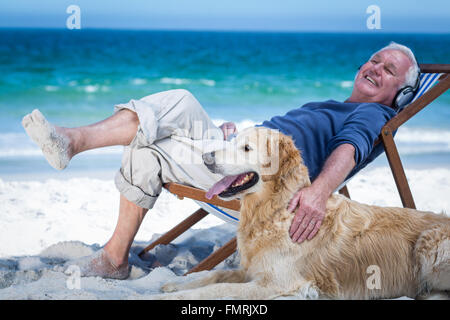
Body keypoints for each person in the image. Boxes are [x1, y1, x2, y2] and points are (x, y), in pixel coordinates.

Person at [21, 42, 419, 279]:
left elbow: (349, 149)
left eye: (389, 71)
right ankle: (75, 150)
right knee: (181, 100)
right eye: (375, 60)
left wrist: (317, 194)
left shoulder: (371, 116)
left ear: (399, 96)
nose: (375, 68)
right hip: (241, 156)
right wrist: (237, 137)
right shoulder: (334, 104)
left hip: (260, 188)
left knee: (150, 146)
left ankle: (111, 253)